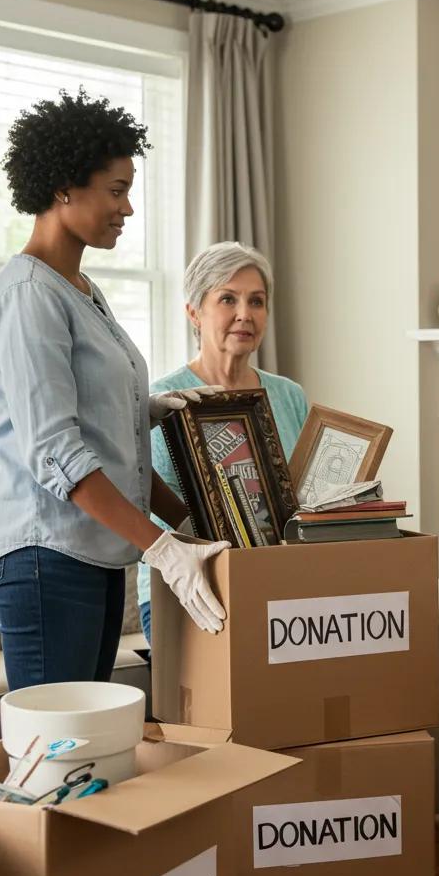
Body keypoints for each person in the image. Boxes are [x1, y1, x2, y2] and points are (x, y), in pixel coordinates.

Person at [0, 89, 229, 692]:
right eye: (116, 190)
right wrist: (164, 548)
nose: (128, 209)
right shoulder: (29, 296)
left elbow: (108, 441)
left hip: (95, 547)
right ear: (64, 187)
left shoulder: (80, 289)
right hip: (44, 553)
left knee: (90, 746)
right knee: (55, 749)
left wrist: (200, 527)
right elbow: (59, 451)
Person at [137, 242, 308, 643]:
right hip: (186, 590)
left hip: (277, 583)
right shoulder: (160, 399)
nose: (245, 314)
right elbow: (141, 491)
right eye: (227, 299)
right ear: (194, 312)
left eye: (257, 301)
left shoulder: (289, 396)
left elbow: (301, 495)